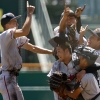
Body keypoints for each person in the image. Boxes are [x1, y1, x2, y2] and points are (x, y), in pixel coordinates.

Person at [0, 1, 52, 100]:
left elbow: (32, 48)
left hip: (12, 78)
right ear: (7, 25)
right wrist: (29, 14)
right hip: (6, 78)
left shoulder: (16, 38)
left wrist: (51, 52)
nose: (17, 23)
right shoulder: (6, 34)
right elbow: (25, 31)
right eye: (14, 21)